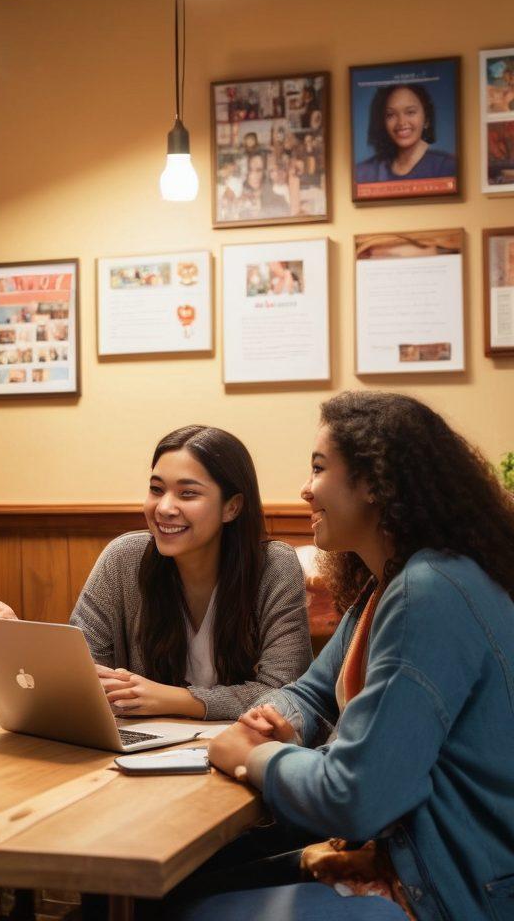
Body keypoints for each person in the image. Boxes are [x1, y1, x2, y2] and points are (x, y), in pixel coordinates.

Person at [185, 391, 514, 920]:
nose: (305, 488)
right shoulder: (390, 586)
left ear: (375, 484)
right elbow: (311, 693)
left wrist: (252, 756)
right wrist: (274, 721)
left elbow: (356, 798)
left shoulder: (428, 593)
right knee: (183, 884)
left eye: (319, 468)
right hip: (405, 859)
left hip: (447, 892)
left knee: (183, 907)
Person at [0, 426, 312, 721]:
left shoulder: (274, 567)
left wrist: (173, 699)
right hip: (145, 746)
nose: (164, 507)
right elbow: (85, 671)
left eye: (188, 493)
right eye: (156, 489)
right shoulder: (124, 558)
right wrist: (22, 642)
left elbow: (284, 691)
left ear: (232, 507)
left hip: (243, 748)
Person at [354, 84, 456, 184]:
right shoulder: (363, 172)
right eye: (390, 115)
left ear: (426, 120)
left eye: (410, 112)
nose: (401, 122)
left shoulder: (448, 166)